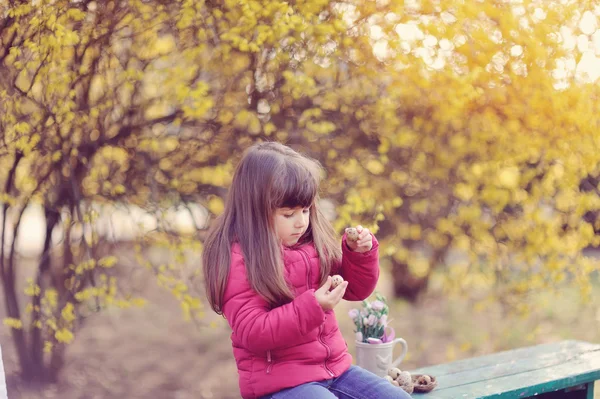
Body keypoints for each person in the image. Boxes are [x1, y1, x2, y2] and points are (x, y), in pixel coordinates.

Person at [203, 142, 411, 399]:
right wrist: (313, 306)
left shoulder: (311, 241)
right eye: (289, 214)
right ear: (255, 211)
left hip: (335, 371)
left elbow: (356, 290)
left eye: (305, 210)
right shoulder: (240, 258)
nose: (301, 222)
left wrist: (358, 255)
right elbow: (253, 332)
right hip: (280, 387)